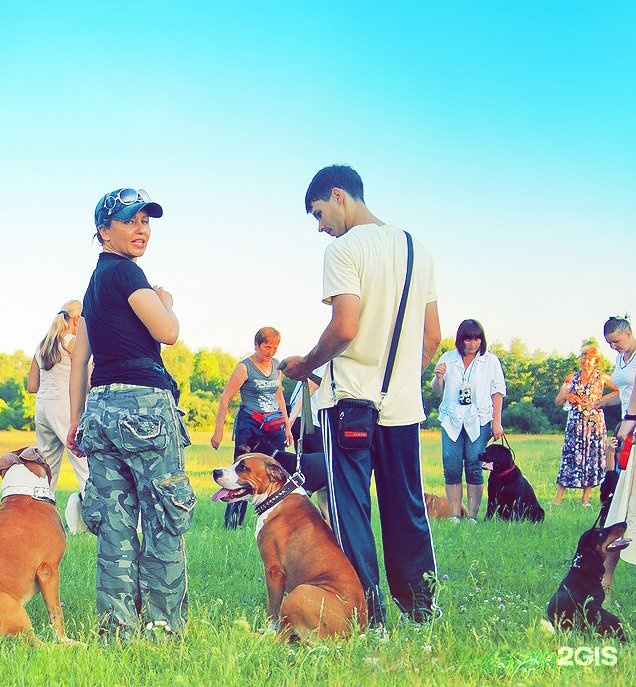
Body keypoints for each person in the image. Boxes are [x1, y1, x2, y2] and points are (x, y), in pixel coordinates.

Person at [281, 165, 441, 627]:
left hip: (349, 400)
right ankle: (421, 608)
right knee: (407, 507)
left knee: (351, 511)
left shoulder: (344, 250)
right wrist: (405, 380)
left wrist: (306, 365)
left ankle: (367, 615)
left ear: (338, 195)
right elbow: (432, 337)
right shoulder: (418, 250)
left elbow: (345, 327)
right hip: (403, 407)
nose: (320, 226)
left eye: (319, 212)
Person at [66, 187, 195, 638]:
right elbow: (169, 331)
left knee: (115, 527)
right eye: (129, 221)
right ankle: (162, 629)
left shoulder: (94, 284)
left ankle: (117, 630)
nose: (141, 229)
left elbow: (79, 359)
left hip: (100, 410)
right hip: (144, 406)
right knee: (164, 517)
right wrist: (165, 300)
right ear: (104, 230)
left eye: (146, 221)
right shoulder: (126, 274)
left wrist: (76, 419)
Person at [211, 327, 292, 528]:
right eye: (266, 346)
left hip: (273, 426)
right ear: (256, 345)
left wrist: (288, 426)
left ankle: (275, 520)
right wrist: (218, 431)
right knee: (241, 473)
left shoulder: (276, 367)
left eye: (274, 347)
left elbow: (279, 396)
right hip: (250, 426)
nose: (270, 351)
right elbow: (225, 398)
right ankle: (232, 524)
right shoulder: (244, 368)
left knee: (276, 471)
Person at [430, 318, 506, 523]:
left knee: (474, 464)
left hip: (478, 419)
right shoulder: (448, 358)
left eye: (477, 339)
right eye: (468, 339)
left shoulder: (490, 361)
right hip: (452, 420)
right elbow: (438, 391)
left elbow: (497, 392)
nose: (472, 344)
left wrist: (496, 421)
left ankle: (472, 515)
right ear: (460, 340)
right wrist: (438, 378)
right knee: (452, 466)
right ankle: (455, 514)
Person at [27, 299, 90, 533]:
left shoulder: (43, 344)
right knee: (84, 464)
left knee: (46, 470)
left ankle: (39, 523)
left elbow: (32, 385)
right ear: (76, 320)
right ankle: (97, 521)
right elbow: (90, 379)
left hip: (43, 407)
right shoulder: (72, 342)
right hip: (65, 406)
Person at [554, 345, 617, 506]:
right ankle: (558, 498)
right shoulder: (571, 378)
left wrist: (603, 401)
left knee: (592, 458)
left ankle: (585, 499)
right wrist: (568, 396)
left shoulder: (601, 377)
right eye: (583, 356)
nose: (585, 360)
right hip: (575, 423)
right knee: (569, 457)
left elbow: (619, 390)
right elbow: (557, 401)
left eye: (589, 358)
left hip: (594, 424)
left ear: (596, 361)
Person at [601, 316, 636, 588]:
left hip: (631, 423)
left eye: (616, 340)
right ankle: (605, 578)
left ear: (628, 332)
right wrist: (602, 401)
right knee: (620, 500)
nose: (613, 346)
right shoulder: (621, 359)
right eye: (609, 343)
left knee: (626, 500)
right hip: (627, 424)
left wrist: (631, 419)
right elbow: (625, 390)